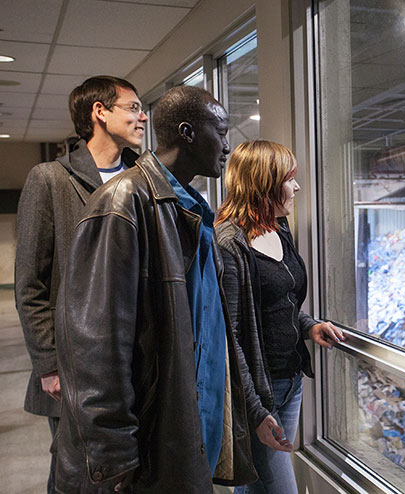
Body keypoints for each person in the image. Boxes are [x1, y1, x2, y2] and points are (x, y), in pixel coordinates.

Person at [53, 85, 257, 492]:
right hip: (148, 451)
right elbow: (94, 348)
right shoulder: (122, 204)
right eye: (221, 131)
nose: (228, 146)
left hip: (185, 437)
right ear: (187, 132)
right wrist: (113, 458)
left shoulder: (190, 212)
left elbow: (209, 328)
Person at [14, 75, 145, 493]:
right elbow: (30, 284)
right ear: (100, 113)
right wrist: (49, 364)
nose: (143, 116)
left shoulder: (141, 180)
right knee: (78, 478)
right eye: (132, 107)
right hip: (73, 370)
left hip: (132, 362)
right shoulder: (50, 179)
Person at [214, 140, 344, 494]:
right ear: (263, 184)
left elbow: (279, 301)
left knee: (255, 487)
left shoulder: (278, 226)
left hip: (290, 381)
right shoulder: (229, 243)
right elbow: (231, 336)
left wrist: (309, 325)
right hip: (258, 390)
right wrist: (255, 411)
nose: (297, 187)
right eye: (289, 179)